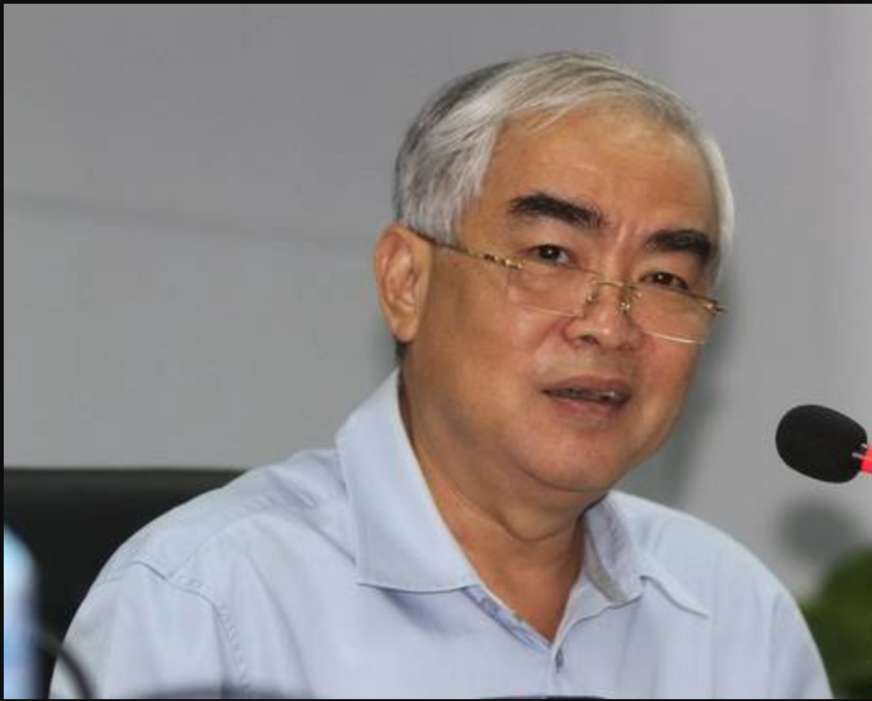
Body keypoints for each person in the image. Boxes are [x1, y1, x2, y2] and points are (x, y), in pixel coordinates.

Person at [51, 52, 831, 698]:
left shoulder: (735, 616)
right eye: (551, 255)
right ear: (406, 282)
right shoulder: (205, 601)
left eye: (665, 278)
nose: (609, 323)